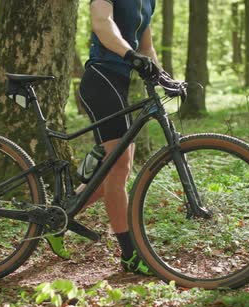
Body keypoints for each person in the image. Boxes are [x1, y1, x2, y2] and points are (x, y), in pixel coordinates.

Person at [44, 0, 166, 275]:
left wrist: (163, 76)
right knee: (119, 166)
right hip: (100, 80)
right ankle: (130, 254)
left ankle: (58, 218)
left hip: (119, 84)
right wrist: (130, 56)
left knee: (115, 169)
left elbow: (146, 47)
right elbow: (102, 24)